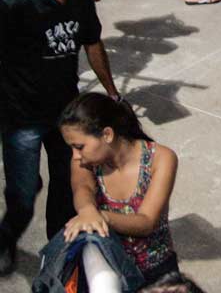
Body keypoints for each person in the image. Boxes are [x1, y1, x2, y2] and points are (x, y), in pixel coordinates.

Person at [0, 0, 120, 276]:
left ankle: (56, 250)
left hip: (65, 114)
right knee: (23, 194)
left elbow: (92, 43)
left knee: (66, 189)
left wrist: (111, 92)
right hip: (21, 116)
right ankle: (5, 240)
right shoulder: (17, 1)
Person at [58, 93, 178, 286]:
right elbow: (83, 188)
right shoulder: (85, 162)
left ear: (107, 134)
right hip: (106, 266)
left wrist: (100, 217)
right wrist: (87, 210)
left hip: (157, 272)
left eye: (79, 146)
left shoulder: (161, 158)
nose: (75, 155)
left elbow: (146, 222)